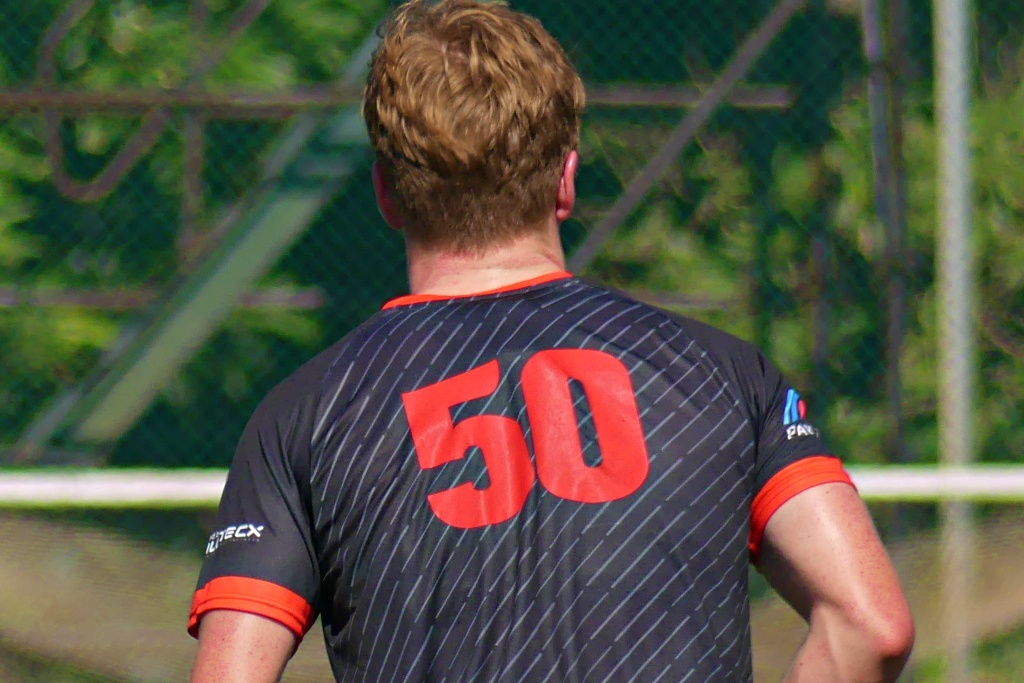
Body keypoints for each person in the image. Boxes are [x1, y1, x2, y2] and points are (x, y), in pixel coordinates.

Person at [188, 1, 915, 681]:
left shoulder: (306, 416)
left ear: (385, 192)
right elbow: (870, 623)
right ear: (566, 180)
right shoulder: (723, 374)